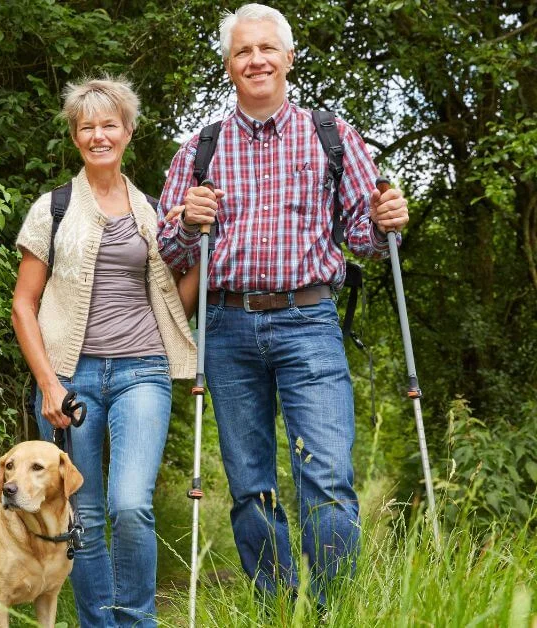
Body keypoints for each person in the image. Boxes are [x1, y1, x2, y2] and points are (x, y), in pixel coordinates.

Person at [157, 3, 410, 601]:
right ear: (228, 66)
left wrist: (387, 221)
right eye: (243, 51)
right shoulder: (200, 148)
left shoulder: (332, 136)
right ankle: (275, 607)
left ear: (288, 57)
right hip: (225, 324)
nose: (256, 59)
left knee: (325, 476)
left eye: (266, 48)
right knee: (249, 484)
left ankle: (332, 610)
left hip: (310, 320)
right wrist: (190, 226)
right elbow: (166, 252)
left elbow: (369, 241)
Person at [12, 76, 197, 627]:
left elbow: (173, 305)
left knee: (130, 505)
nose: (98, 135)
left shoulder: (153, 212)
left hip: (143, 370)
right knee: (81, 512)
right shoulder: (54, 209)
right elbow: (24, 305)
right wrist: (49, 384)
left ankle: (137, 622)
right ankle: (97, 622)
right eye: (86, 126)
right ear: (75, 137)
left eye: (108, 124)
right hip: (71, 377)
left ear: (128, 131)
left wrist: (206, 255)